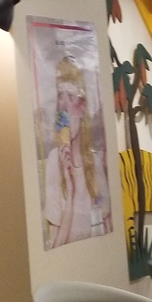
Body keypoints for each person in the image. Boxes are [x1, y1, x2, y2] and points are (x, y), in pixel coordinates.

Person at [43, 57, 109, 248]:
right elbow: (54, 245)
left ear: (82, 106)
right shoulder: (54, 160)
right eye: (60, 96)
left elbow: (107, 228)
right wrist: (70, 196)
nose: (63, 106)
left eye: (70, 97)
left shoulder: (95, 162)